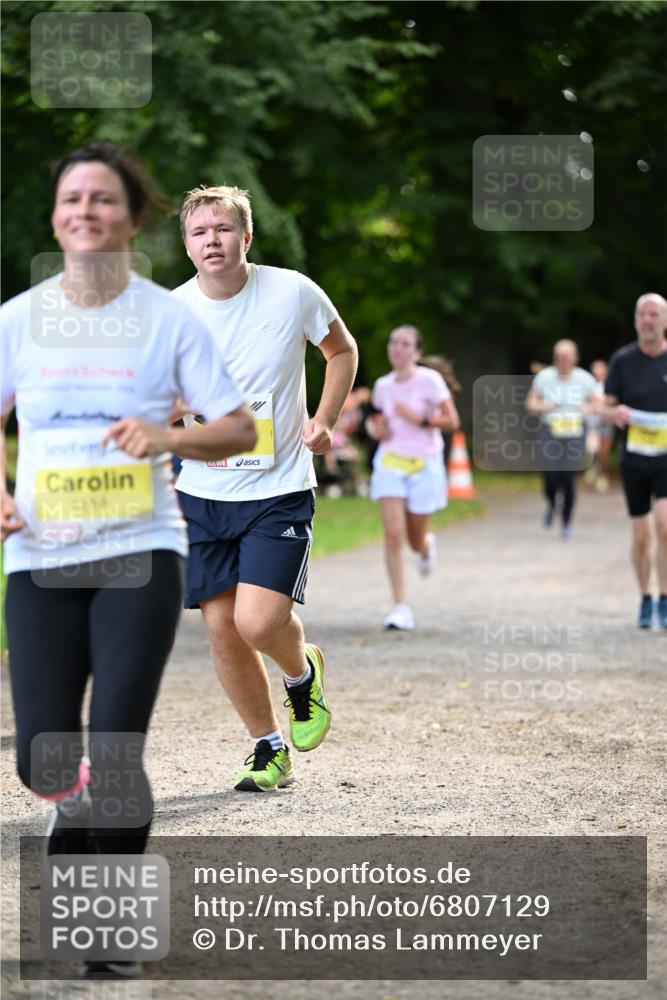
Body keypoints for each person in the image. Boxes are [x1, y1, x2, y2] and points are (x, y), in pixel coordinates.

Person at [0, 142, 255, 977]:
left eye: (102, 199)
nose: (85, 211)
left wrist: (166, 435)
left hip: (140, 551)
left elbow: (238, 427)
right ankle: (68, 817)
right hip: (39, 556)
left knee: (114, 748)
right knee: (44, 756)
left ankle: (105, 934)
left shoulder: (167, 318)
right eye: (71, 197)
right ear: (56, 216)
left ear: (131, 218)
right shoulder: (18, 319)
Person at [171, 185, 358, 792]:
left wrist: (324, 420)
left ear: (245, 237)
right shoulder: (170, 312)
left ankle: (301, 675)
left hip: (277, 488)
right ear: (187, 246)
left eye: (222, 229)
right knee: (221, 628)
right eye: (200, 233)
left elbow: (341, 350)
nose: (212, 241)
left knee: (256, 623)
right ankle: (267, 746)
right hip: (202, 492)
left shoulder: (291, 290)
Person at [367, 325, 460, 630]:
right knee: (393, 534)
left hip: (425, 462)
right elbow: (377, 422)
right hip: (391, 461)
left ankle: (425, 546)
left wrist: (419, 419)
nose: (397, 348)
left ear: (417, 352)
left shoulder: (430, 381)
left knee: (413, 539)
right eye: (393, 342)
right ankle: (400, 607)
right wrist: (375, 429)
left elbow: (451, 420)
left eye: (405, 344)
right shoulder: (383, 385)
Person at [604, 293, 667, 629]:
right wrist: (616, 413)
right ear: (635, 321)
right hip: (634, 458)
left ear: (665, 321)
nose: (648, 320)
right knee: (641, 535)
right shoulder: (622, 361)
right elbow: (605, 406)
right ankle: (645, 597)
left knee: (666, 526)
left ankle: (665, 599)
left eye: (654, 314)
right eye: (642, 314)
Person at [526, 339, 600, 539]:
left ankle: (566, 522)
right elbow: (531, 402)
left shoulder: (585, 379)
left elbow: (599, 404)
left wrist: (589, 408)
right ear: (555, 358)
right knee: (550, 473)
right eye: (560, 357)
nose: (564, 361)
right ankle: (552, 502)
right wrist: (542, 406)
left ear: (575, 358)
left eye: (567, 357)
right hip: (550, 429)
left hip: (575, 431)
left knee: (568, 478)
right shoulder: (544, 377)